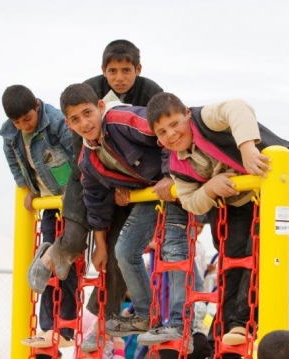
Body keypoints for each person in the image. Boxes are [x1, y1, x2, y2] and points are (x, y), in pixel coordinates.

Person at [146, 93, 289, 355]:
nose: (171, 134)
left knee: (260, 252)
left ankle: (244, 323)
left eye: (175, 124)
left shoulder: (205, 120)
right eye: (163, 132)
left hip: (281, 181)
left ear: (187, 115)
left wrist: (247, 147)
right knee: (232, 259)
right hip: (239, 198)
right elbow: (191, 201)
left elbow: (238, 107)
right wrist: (210, 189)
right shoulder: (178, 163)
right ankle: (222, 333)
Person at [26, 39, 164, 353]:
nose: (119, 77)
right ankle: (51, 255)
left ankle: (103, 323)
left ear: (137, 70)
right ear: (103, 71)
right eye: (112, 71)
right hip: (90, 174)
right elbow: (84, 153)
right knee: (74, 237)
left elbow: (161, 132)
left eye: (126, 70)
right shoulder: (88, 91)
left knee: (117, 254)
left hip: (131, 184)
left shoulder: (149, 93)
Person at [60, 83, 193, 354]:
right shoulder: (88, 159)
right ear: (68, 124)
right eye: (75, 120)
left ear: (100, 107)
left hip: (179, 181)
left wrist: (170, 173)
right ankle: (144, 314)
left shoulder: (122, 119)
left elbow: (164, 133)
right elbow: (95, 202)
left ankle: (180, 324)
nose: (84, 123)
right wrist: (99, 244)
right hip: (151, 194)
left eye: (87, 113)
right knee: (124, 250)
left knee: (173, 248)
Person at [0, 85, 78, 356]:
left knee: (66, 262)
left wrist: (76, 191)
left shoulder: (56, 122)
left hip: (70, 200)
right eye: (18, 123)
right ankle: (47, 327)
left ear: (36, 106)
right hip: (48, 202)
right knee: (47, 265)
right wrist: (26, 188)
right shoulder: (10, 135)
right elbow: (13, 162)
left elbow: (78, 155)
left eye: (27, 120)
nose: (24, 126)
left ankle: (66, 327)